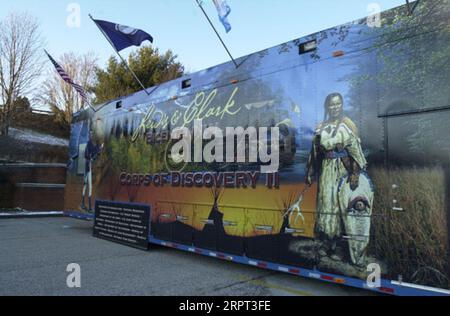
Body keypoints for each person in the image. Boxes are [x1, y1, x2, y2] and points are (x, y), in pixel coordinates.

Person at [304, 93, 369, 261]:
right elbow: (315, 152)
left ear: (342, 105)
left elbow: (355, 150)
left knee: (341, 207)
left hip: (342, 169)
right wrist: (311, 171)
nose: (335, 107)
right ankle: (327, 244)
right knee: (326, 205)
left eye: (338, 104)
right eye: (331, 105)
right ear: (327, 107)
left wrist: (355, 173)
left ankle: (340, 248)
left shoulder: (349, 124)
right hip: (326, 170)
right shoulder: (321, 127)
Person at [80, 128, 104, 212]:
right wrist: (91, 157)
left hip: (91, 166)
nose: (91, 135)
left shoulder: (95, 144)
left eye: (92, 134)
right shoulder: (89, 143)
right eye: (90, 134)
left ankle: (84, 204)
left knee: (87, 185)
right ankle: (88, 206)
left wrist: (100, 148)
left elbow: (97, 152)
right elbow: (87, 155)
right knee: (87, 185)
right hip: (88, 166)